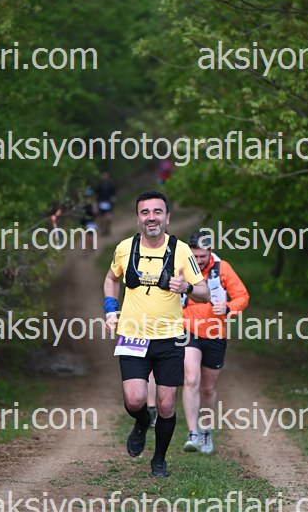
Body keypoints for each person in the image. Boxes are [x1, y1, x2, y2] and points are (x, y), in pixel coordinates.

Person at [103, 191, 210, 478]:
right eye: (145, 212)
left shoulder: (181, 251)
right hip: (133, 335)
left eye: (157, 212)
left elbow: (204, 293)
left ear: (167, 218)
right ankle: (141, 422)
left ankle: (159, 459)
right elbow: (111, 279)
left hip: (169, 337)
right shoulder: (125, 248)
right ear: (138, 218)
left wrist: (186, 287)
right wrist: (110, 310)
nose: (152, 217)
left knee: (165, 404)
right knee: (134, 400)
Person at [182, 229, 249, 454]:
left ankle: (205, 431)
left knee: (208, 388)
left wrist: (228, 307)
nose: (199, 260)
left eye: (203, 256)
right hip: (188, 330)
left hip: (215, 333)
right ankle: (192, 433)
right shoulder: (182, 266)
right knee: (191, 378)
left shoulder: (223, 268)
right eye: (195, 256)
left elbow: (242, 296)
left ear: (210, 251)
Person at [95, 171, 117, 235]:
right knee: (102, 219)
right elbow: (96, 194)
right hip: (101, 203)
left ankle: (107, 228)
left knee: (108, 218)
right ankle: (103, 230)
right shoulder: (99, 185)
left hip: (108, 203)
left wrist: (113, 198)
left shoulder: (111, 184)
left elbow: (114, 193)